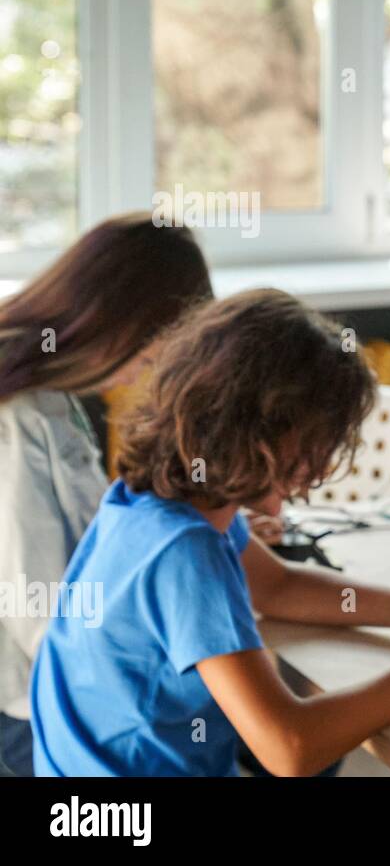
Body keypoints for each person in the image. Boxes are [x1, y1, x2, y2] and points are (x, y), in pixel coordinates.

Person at [30, 289, 390, 776]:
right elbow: (290, 749)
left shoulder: (151, 500)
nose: (317, 468)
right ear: (256, 433)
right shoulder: (185, 552)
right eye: (316, 445)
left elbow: (276, 586)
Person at [0, 212, 213, 776]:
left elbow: (84, 523)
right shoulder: (20, 412)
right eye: (146, 360)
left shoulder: (45, 387)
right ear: (115, 326)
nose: (135, 380)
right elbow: (37, 610)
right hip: (25, 701)